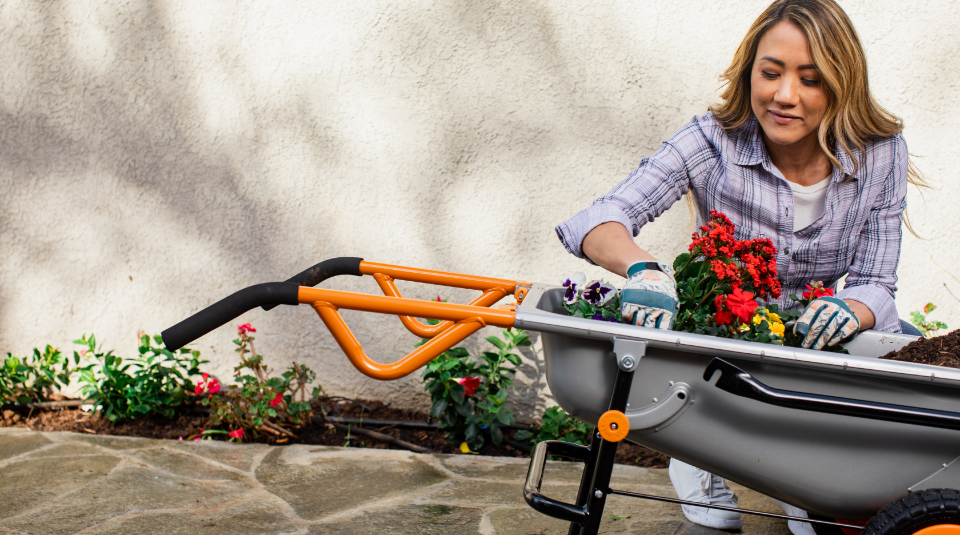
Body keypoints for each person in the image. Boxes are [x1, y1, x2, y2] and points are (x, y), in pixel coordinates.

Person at [555, 0, 924, 533]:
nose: (784, 95)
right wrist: (645, 271)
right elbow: (600, 218)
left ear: (842, 85)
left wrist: (855, 308)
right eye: (770, 73)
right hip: (723, 349)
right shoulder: (712, 140)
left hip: (812, 352)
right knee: (717, 524)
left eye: (811, 80)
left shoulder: (880, 154)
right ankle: (697, 452)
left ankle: (810, 477)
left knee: (896, 368)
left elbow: (877, 281)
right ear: (750, 70)